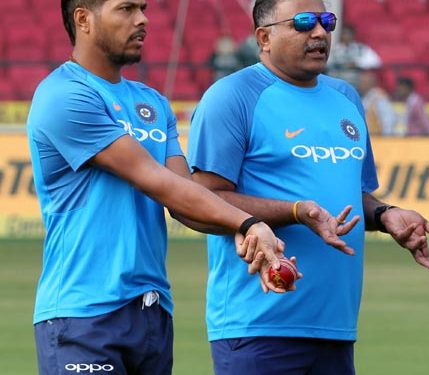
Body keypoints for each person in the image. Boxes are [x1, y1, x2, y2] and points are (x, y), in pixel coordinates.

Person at [186, 0, 429, 374]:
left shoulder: (345, 98)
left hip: (336, 329)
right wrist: (296, 212)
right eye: (304, 22)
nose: (320, 32)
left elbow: (350, 197)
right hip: (258, 326)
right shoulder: (232, 97)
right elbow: (202, 199)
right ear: (264, 37)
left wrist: (387, 214)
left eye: (327, 21)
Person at [27, 1, 287, 374]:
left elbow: (186, 199)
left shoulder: (152, 102)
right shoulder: (64, 94)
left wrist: (260, 240)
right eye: (126, 9)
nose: (143, 19)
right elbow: (159, 182)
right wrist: (247, 224)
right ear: (83, 19)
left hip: (153, 313)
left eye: (144, 8)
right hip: (82, 314)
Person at [357, 69, 398, 136]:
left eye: (363, 82)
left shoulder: (379, 97)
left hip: (378, 137)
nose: (360, 85)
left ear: (370, 83)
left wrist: (386, 136)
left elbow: (388, 118)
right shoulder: (366, 97)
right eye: (361, 82)